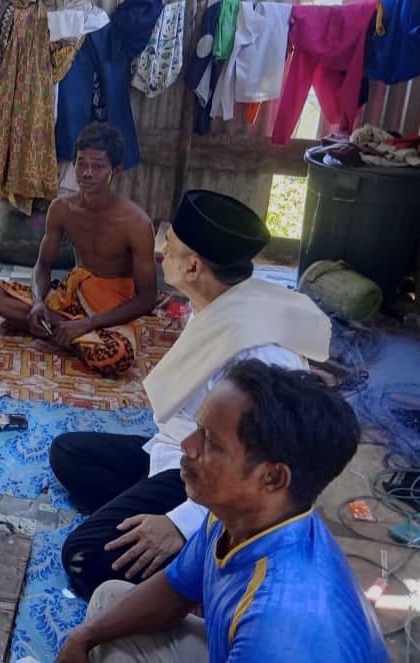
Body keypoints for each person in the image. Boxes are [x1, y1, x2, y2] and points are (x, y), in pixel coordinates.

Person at [49, 190, 332, 599]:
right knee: (68, 454)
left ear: (194, 266)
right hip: (180, 455)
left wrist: (182, 523)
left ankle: (207, 565)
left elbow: (263, 477)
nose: (162, 251)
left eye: (171, 246)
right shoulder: (217, 303)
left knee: (81, 556)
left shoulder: (259, 355)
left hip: (221, 488)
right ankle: (141, 516)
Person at [56, 360, 389, 663]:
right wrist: (84, 636)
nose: (188, 445)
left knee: (113, 652)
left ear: (272, 477)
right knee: (107, 601)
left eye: (211, 441)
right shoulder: (238, 516)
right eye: (198, 428)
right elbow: (176, 590)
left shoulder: (278, 627)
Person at [0, 122, 157, 376]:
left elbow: (147, 298)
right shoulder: (62, 208)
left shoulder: (136, 223)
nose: (87, 173)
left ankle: (51, 329)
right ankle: (58, 328)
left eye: (98, 166)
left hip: (109, 310)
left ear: (116, 170)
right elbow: (42, 265)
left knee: (117, 357)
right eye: (81, 163)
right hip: (69, 297)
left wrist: (87, 324)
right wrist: (39, 302)